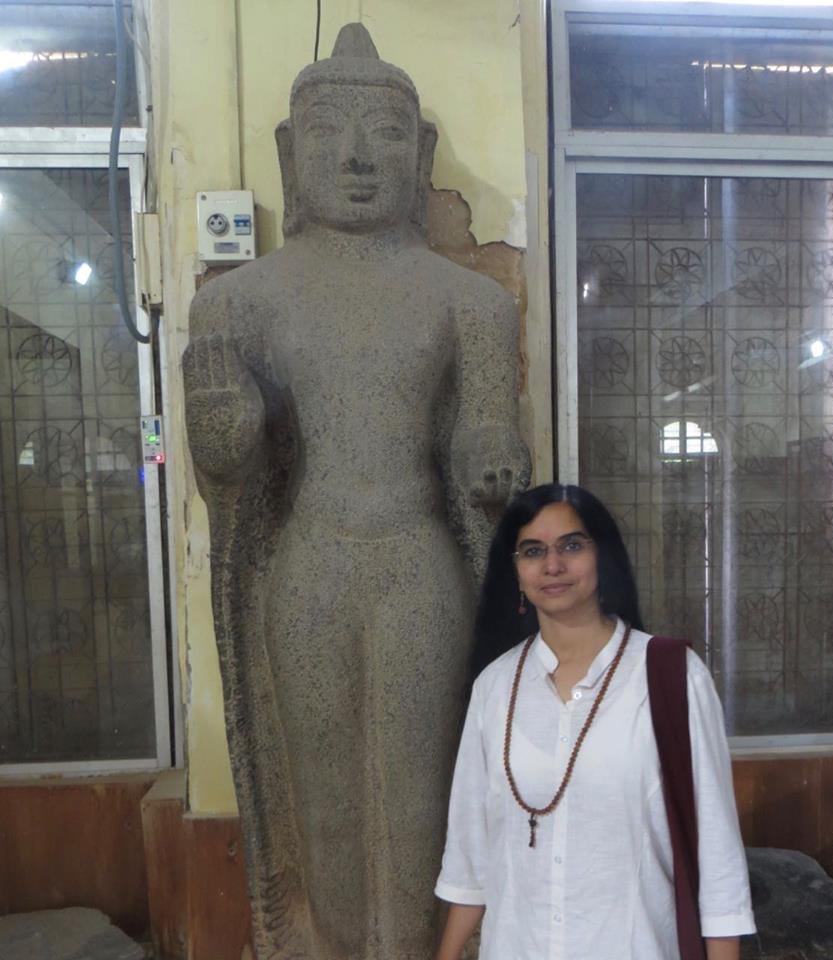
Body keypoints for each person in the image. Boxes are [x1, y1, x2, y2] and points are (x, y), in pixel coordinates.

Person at [182, 23, 529, 960]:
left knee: (421, 797)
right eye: (329, 130)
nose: (357, 156)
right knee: (323, 802)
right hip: (308, 562)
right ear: (291, 154)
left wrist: (492, 457)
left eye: (383, 132)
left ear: (419, 155)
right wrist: (225, 437)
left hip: (417, 562)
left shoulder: (470, 304)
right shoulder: (239, 303)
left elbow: (488, 436)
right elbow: (230, 470)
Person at [434, 483, 756, 960]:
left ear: (603, 556)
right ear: (516, 572)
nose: (552, 565)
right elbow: (468, 859)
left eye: (572, 545)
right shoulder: (494, 689)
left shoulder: (671, 678)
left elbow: (718, 862)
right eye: (532, 551)